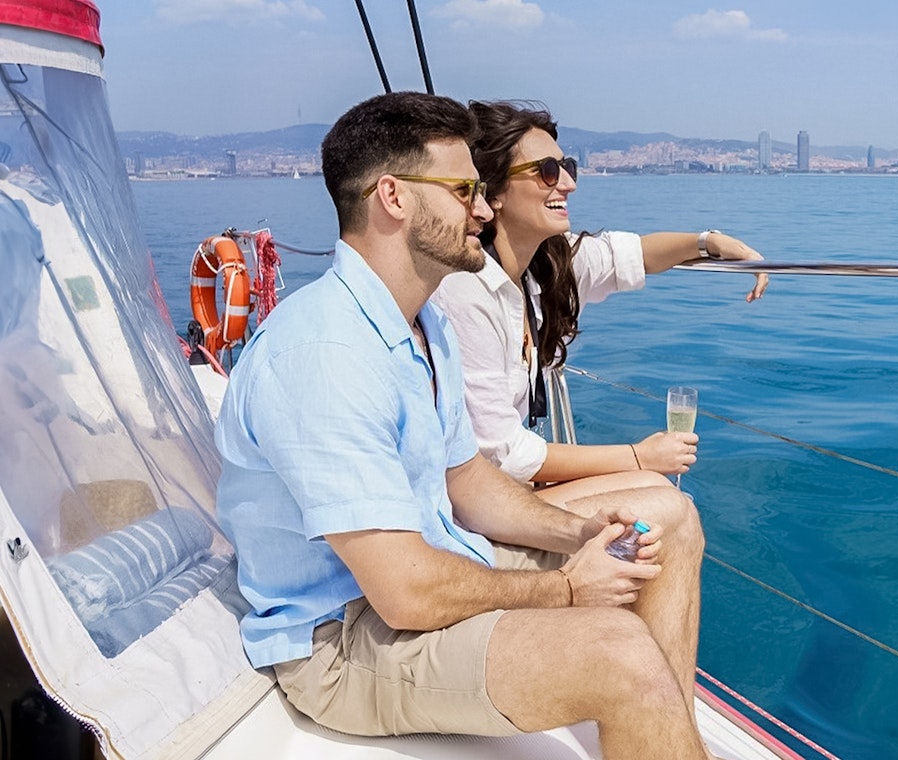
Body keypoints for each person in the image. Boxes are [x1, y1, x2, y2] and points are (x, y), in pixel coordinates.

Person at [214, 91, 715, 759]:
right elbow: (404, 593)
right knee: (620, 651)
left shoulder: (423, 325)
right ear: (393, 198)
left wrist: (584, 532)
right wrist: (566, 588)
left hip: (439, 558)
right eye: (461, 190)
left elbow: (469, 482)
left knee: (664, 517)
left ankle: (666, 732)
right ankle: (650, 709)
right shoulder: (325, 357)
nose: (482, 210)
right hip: (346, 637)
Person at [430, 100, 768, 500]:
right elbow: (502, 453)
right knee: (661, 499)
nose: (569, 184)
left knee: (661, 498)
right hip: (470, 509)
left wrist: (709, 241)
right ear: (494, 192)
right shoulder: (465, 290)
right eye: (548, 172)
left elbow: (635, 254)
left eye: (567, 167)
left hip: (508, 491)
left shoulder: (544, 265)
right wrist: (639, 456)